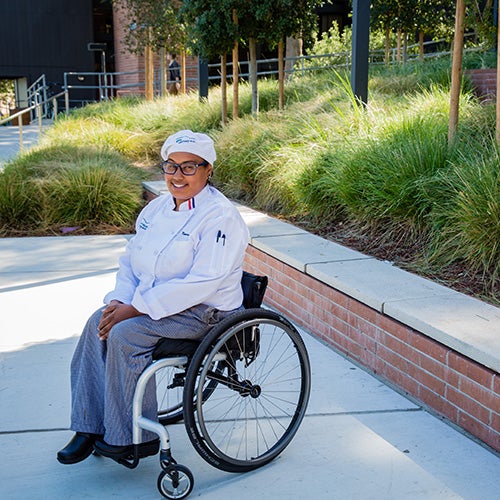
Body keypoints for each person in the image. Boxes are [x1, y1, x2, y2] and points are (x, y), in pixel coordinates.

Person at [57, 130, 250, 464]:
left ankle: (133, 438)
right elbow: (132, 260)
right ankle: (88, 425)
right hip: (155, 303)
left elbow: (203, 282)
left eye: (189, 167)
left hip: (205, 311)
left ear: (208, 170)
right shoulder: (156, 210)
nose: (177, 176)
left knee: (125, 335)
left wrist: (135, 309)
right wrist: (119, 300)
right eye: (171, 166)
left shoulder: (220, 217)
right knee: (96, 323)